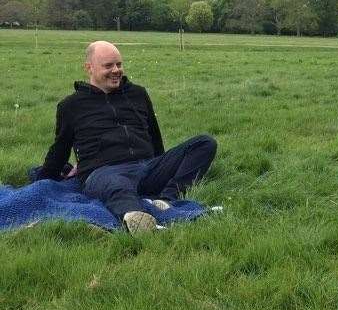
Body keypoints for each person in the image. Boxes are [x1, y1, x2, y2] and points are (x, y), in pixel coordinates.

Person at [38, 41, 217, 232]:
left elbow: (154, 136)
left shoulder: (137, 94)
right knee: (117, 185)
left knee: (205, 143)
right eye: (108, 66)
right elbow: (60, 149)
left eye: (119, 64)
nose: (116, 70)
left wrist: (162, 165)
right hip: (103, 172)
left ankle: (165, 200)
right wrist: (44, 180)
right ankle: (138, 219)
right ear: (89, 68)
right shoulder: (70, 106)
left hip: (147, 166)